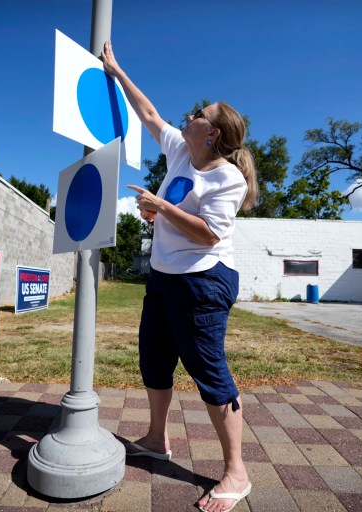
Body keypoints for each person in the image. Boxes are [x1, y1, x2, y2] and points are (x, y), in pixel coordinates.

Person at [101, 41, 258, 512]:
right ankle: (156, 439)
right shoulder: (179, 151)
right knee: (153, 359)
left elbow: (209, 235)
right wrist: (116, 70)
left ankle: (237, 473)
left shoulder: (228, 178)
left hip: (204, 280)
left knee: (208, 370)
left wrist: (162, 207)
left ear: (212, 133)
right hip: (165, 277)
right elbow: (148, 113)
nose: (189, 115)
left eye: (199, 114)